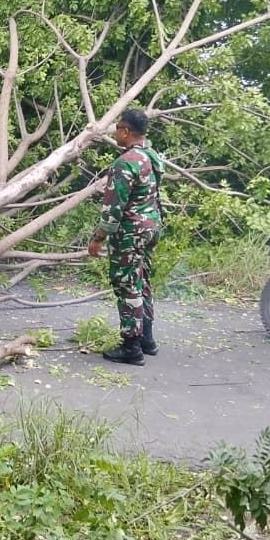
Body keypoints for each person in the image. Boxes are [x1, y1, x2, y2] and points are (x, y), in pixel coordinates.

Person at [87, 108, 164, 365]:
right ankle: (147, 339)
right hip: (152, 227)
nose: (116, 133)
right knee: (142, 279)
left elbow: (113, 208)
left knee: (127, 283)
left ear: (125, 131)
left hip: (131, 231)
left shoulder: (126, 162)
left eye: (118, 129)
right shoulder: (152, 156)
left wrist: (98, 237)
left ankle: (131, 346)